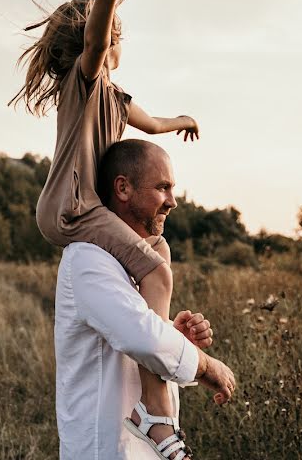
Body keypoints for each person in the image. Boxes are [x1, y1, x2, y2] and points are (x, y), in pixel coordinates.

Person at [9, 0, 202, 452]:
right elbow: (93, 46)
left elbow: (154, 123)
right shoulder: (85, 83)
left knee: (157, 254)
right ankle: (153, 413)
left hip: (88, 209)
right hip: (71, 209)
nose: (119, 39)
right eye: (116, 30)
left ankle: (156, 371)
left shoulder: (118, 97)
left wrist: (180, 120)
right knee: (158, 269)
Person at [55, 139, 236, 459]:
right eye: (163, 187)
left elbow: (137, 334)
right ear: (123, 189)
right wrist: (207, 366)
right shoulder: (89, 258)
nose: (173, 201)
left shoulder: (138, 260)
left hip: (145, 448)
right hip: (107, 449)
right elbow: (145, 340)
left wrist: (173, 335)